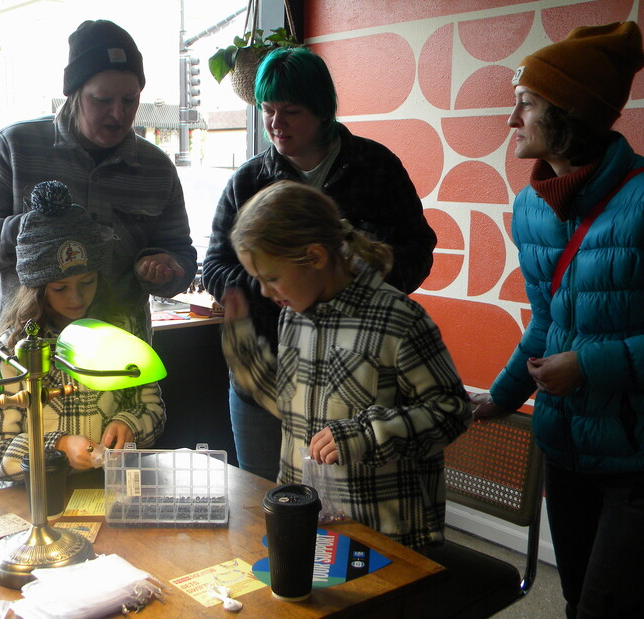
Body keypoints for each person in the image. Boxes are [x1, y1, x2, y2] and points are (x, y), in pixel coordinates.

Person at [472, 22, 644, 618]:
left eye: (525, 105)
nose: (511, 121)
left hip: (635, 458)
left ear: (569, 112)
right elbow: (546, 323)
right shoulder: (532, 207)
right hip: (565, 448)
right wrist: (500, 397)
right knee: (575, 600)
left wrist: (591, 365)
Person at [202, 46, 437, 481]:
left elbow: (418, 251)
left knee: (346, 515)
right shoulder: (250, 180)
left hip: (359, 383)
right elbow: (214, 267)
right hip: (268, 376)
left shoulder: (375, 167)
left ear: (323, 110)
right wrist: (274, 286)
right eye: (268, 110)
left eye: (290, 111)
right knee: (265, 502)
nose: (275, 124)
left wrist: (349, 287)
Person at [221, 180, 469, 548]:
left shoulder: (398, 320)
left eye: (270, 278)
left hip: (386, 532)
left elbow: (452, 411)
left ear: (316, 257)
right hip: (314, 519)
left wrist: (367, 434)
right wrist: (249, 364)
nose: (263, 291)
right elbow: (294, 410)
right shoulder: (295, 316)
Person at [0, 19, 197, 344]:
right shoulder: (14, 147)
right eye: (103, 100)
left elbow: (182, 255)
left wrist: (165, 268)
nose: (118, 114)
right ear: (74, 93)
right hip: (18, 347)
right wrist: (31, 231)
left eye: (130, 100)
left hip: (116, 351)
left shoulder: (156, 167)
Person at [0, 181, 165, 486]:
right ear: (37, 290)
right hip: (34, 497)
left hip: (106, 491)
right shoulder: (13, 348)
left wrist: (127, 423)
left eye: (87, 282)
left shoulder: (121, 333)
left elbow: (151, 408)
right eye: (60, 288)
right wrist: (58, 445)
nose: (76, 299)